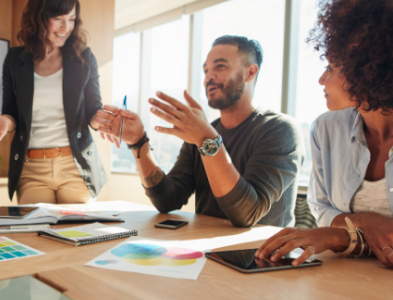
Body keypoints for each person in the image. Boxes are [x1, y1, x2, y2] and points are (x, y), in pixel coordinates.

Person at [96, 35, 304, 227]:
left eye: (220, 66)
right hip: (206, 252)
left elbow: (247, 213)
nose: (209, 77)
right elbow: (168, 199)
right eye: (205, 70)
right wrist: (138, 142)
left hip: (261, 260)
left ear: (250, 72)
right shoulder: (203, 133)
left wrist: (207, 140)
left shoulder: (281, 130)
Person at [255, 0, 393, 268]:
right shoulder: (326, 129)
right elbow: (323, 209)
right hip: (342, 278)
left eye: (331, 68)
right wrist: (367, 222)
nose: (321, 79)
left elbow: (332, 225)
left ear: (366, 69)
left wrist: (336, 235)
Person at [0, 0, 108, 204]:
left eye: (71, 19)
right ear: (39, 18)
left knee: (78, 233)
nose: (66, 28)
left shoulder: (84, 58)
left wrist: (103, 121)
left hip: (75, 166)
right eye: (58, 19)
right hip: (32, 169)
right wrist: (5, 120)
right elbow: (11, 112)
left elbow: (94, 109)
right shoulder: (15, 59)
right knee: (34, 233)